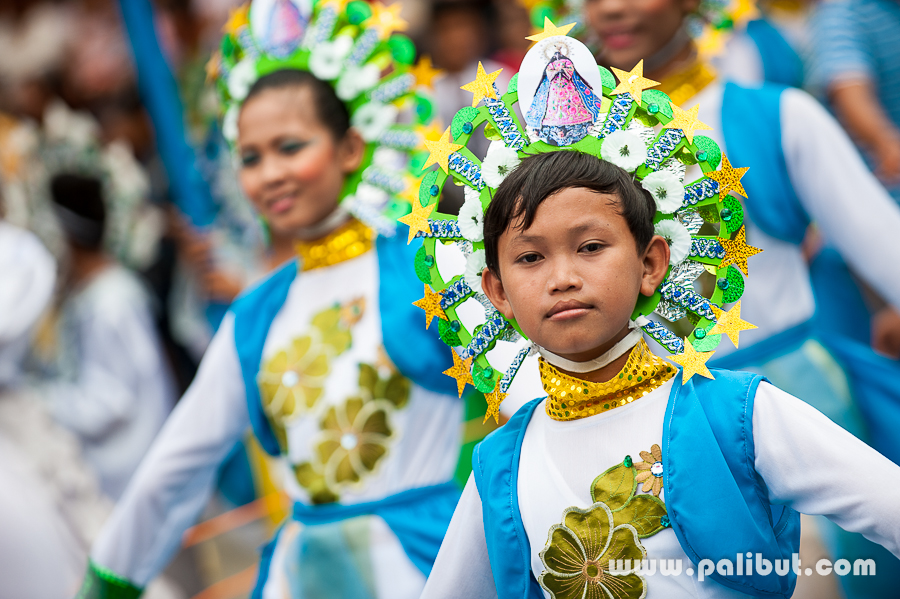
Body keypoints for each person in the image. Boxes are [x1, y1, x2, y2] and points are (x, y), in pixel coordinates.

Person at [409, 31, 900, 598]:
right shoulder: (500, 466)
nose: (562, 277)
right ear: (496, 289)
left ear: (651, 263)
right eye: (530, 258)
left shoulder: (735, 415)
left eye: (590, 247)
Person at [76, 1, 466, 597]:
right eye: (251, 157)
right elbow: (178, 461)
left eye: (290, 147)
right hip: (303, 575)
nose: (269, 175)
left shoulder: (426, 268)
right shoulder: (256, 314)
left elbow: (527, 391)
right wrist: (108, 580)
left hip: (430, 569)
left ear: (350, 147)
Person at [32, 172, 176, 500]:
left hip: (132, 478)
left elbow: (110, 402)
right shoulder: (88, 295)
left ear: (64, 235)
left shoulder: (111, 304)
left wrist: (36, 400)